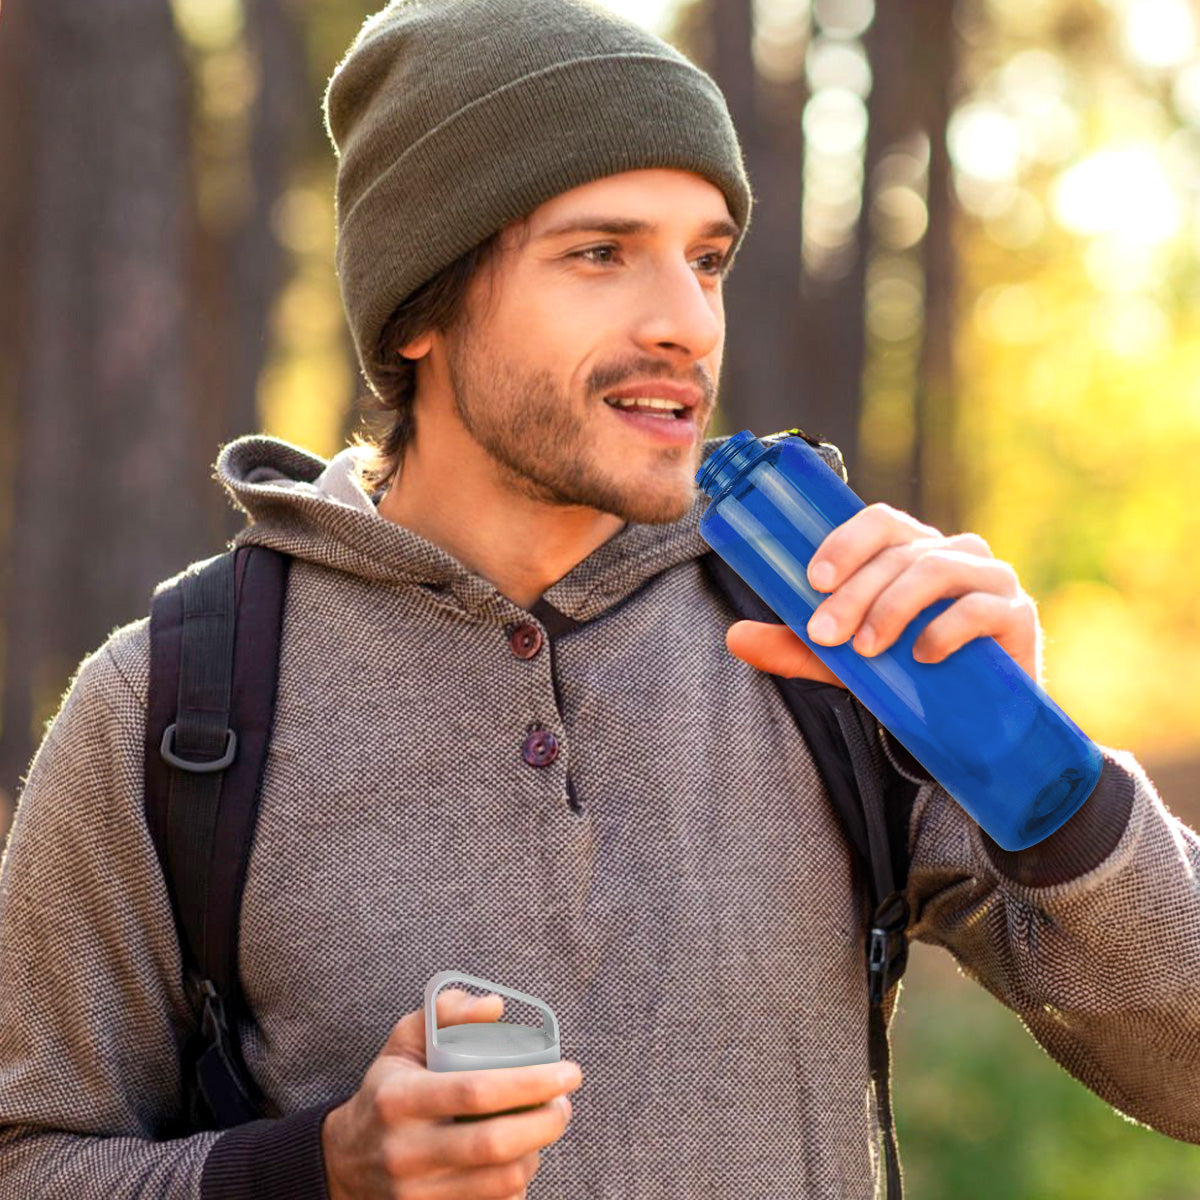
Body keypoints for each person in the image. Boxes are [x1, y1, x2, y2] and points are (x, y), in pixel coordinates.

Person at [1, 1, 1198, 1197]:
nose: (686, 322)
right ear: (419, 308)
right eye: (600, 252)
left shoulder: (833, 642)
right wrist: (313, 1172)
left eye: (707, 257)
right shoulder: (173, 702)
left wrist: (1049, 776)